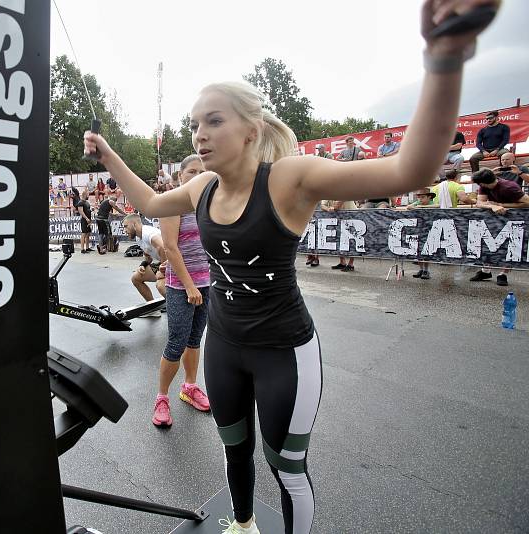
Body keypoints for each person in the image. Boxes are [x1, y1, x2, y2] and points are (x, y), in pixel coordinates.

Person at [84, 3, 495, 530]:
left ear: (251, 129)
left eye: (213, 121)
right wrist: (110, 156)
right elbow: (148, 201)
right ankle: (242, 525)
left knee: (287, 469)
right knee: (234, 453)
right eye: (194, 125)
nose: (199, 135)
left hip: (285, 354)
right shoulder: (201, 186)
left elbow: (409, 169)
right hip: (226, 348)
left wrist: (444, 59)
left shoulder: (290, 179)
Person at [154, 155, 212, 428]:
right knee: (176, 342)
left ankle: (189, 387)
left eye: (202, 171)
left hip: (206, 282)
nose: (198, 175)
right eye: (192, 171)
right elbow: (171, 248)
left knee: (194, 339)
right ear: (179, 176)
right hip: (181, 286)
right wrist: (189, 286)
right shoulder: (171, 204)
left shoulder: (207, 204)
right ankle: (161, 398)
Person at [470, 168, 529, 286]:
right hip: (495, 218)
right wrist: (492, 207)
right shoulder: (485, 186)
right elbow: (480, 202)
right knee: (489, 242)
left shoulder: (509, 187)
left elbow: (527, 202)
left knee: (511, 245)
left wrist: (501, 205)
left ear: (481, 183)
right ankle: (485, 271)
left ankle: (503, 274)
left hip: (514, 218)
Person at [122, 214, 166, 312]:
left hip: (175, 262)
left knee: (161, 285)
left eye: (126, 226)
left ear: (134, 224)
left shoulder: (148, 233)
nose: (124, 230)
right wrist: (142, 265)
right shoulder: (139, 238)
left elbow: (163, 248)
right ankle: (153, 310)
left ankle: (179, 312)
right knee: (136, 278)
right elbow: (148, 258)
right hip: (163, 262)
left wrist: (162, 271)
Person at [404, 188, 436, 280]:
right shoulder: (418, 203)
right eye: (419, 197)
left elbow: (437, 206)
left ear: (429, 197)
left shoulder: (432, 204)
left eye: (422, 197)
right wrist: (418, 206)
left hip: (429, 229)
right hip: (419, 229)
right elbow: (409, 206)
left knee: (426, 251)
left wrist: (422, 207)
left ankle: (426, 270)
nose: (420, 200)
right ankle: (421, 269)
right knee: (419, 252)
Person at [321, 200, 357, 271]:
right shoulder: (327, 190)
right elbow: (322, 205)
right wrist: (328, 209)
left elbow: (338, 204)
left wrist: (332, 208)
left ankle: (351, 264)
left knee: (352, 240)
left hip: (351, 214)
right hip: (339, 215)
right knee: (339, 238)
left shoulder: (340, 189)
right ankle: (342, 262)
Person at [72, 188, 93, 253]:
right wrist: (86, 218)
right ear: (85, 195)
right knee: (84, 234)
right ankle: (82, 249)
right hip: (84, 220)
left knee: (88, 234)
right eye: (88, 195)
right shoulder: (80, 202)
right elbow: (81, 211)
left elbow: (87, 210)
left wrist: (92, 210)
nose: (88, 196)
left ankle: (87, 247)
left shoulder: (86, 202)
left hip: (88, 219)